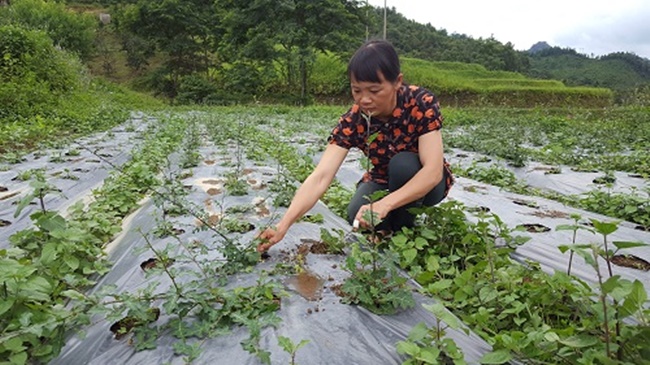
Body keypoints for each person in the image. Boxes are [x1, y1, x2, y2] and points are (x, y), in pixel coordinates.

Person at [257, 39, 453, 252]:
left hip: (428, 183)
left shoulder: (420, 102)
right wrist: (282, 225)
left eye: (374, 90)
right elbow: (321, 176)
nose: (365, 99)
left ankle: (403, 230)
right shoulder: (354, 120)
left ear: (397, 82)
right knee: (356, 212)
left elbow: (433, 171)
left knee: (403, 165)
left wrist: (383, 205)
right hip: (382, 179)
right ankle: (385, 231)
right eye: (357, 90)